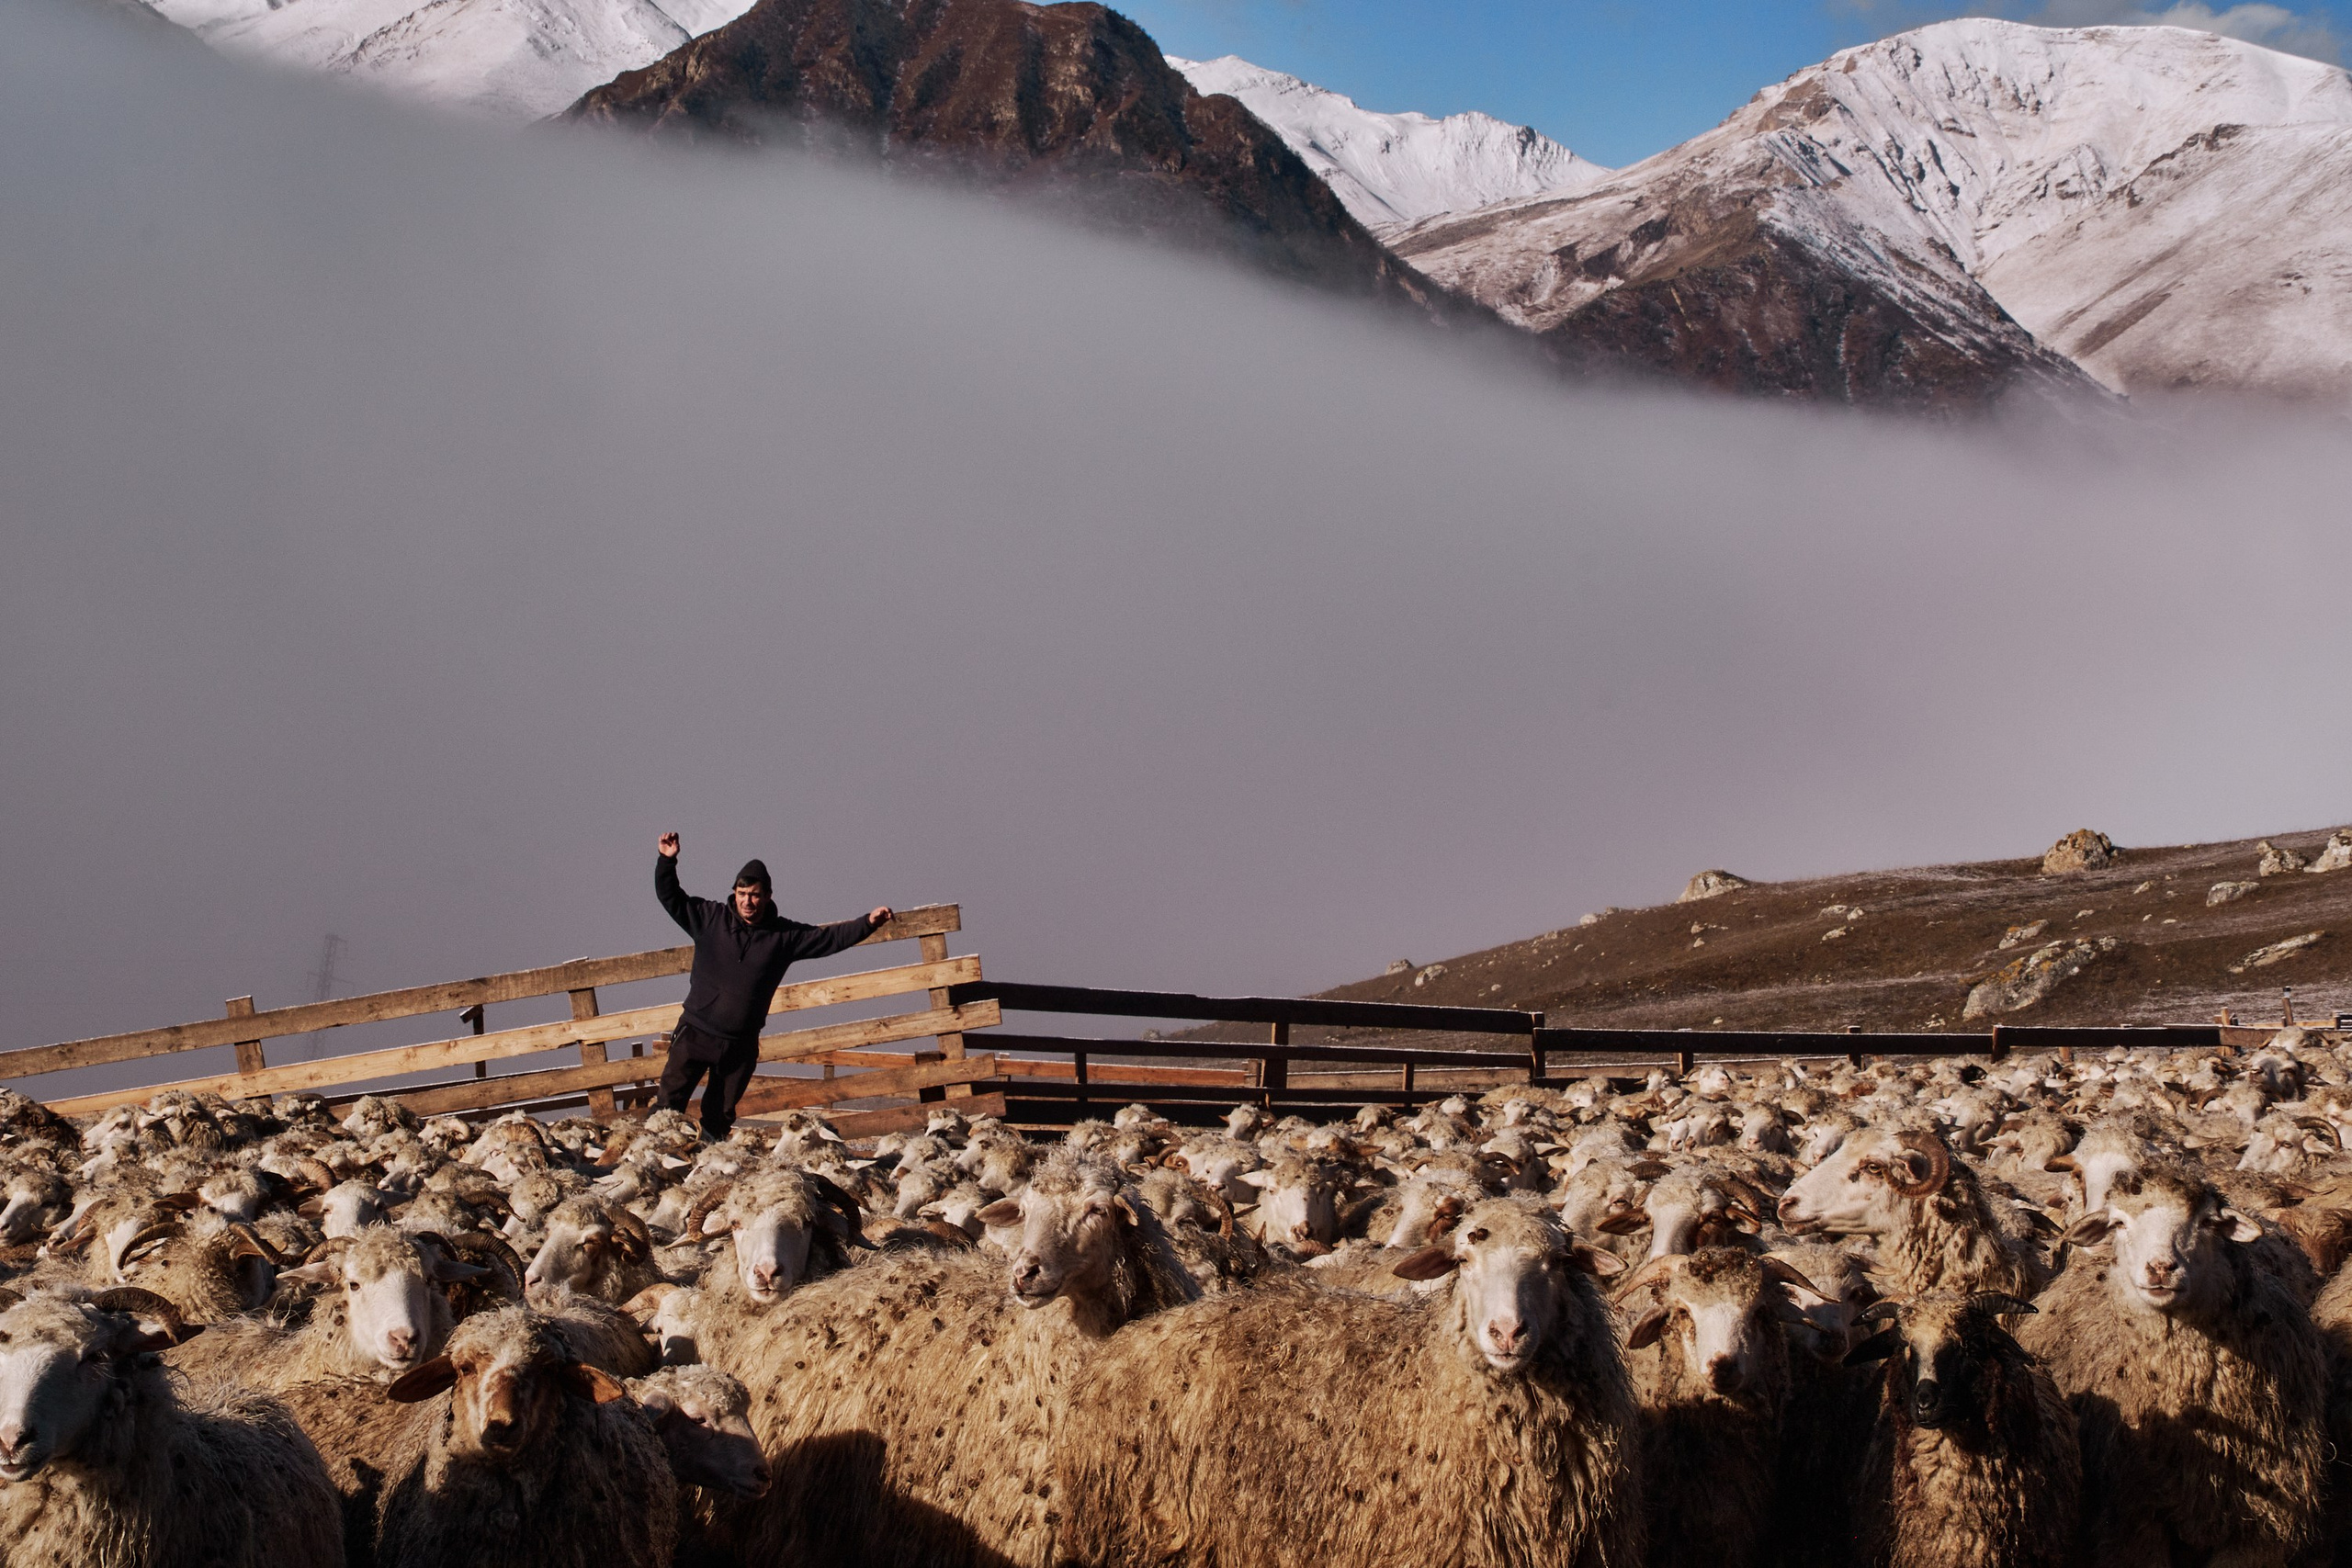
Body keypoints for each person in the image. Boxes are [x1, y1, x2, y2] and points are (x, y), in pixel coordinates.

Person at [653, 831, 891, 1140]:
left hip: (739, 1044)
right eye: (742, 893)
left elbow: (829, 939)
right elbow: (670, 897)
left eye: (754, 895)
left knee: (718, 1117)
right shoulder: (709, 918)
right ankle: (653, 1169)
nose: (747, 901)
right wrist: (666, 861)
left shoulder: (783, 937)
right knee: (667, 1110)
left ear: (767, 896)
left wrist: (867, 923)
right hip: (695, 1033)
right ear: (734, 893)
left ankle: (703, 1174)